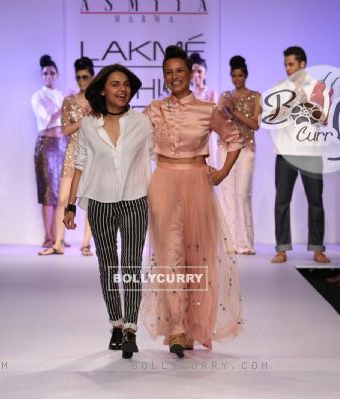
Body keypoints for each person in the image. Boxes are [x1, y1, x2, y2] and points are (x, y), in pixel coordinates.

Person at [140, 45, 244, 358]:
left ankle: (194, 328)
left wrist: (223, 172)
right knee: (170, 255)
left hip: (197, 182)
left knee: (196, 257)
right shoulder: (154, 109)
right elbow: (132, 139)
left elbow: (234, 139)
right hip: (164, 182)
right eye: (168, 73)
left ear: (190, 73)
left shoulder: (206, 109)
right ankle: (176, 328)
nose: (174, 77)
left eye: (179, 71)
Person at [63, 64, 152, 359]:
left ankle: (130, 329)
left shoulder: (142, 122)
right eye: (115, 84)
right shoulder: (89, 124)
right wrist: (71, 204)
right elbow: (80, 164)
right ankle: (115, 323)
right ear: (103, 89)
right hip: (99, 202)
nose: (122, 89)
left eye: (126, 84)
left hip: (135, 200)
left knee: (130, 265)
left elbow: (156, 159)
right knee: (108, 266)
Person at [270, 46, 330, 264]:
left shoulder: (317, 86)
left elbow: (324, 119)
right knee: (281, 202)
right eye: (285, 64)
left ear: (302, 64)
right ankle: (282, 249)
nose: (287, 68)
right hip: (285, 153)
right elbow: (273, 117)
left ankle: (317, 249)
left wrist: (305, 101)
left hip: (310, 152)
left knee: (315, 201)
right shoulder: (280, 86)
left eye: (291, 64)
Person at [39, 57, 94, 256]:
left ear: (92, 76)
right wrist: (83, 121)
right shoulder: (69, 101)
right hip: (72, 151)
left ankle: (86, 244)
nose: (81, 81)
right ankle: (57, 243)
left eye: (85, 77)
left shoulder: (99, 100)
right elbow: (64, 130)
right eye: (78, 77)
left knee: (90, 201)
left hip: (93, 153)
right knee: (63, 199)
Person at [216, 55, 261, 255]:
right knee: (227, 195)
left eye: (240, 75)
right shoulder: (225, 95)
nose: (237, 79)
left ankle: (245, 243)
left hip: (246, 148)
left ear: (246, 75)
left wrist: (235, 113)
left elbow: (255, 125)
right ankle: (229, 242)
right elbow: (217, 122)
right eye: (234, 75)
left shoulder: (255, 96)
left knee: (242, 194)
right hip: (226, 148)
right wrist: (225, 114)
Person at [31, 55, 66, 249]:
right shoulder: (38, 96)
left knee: (62, 193)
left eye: (52, 73)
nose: (49, 76)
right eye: (45, 73)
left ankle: (59, 237)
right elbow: (47, 119)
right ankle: (48, 236)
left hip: (62, 144)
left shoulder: (61, 95)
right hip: (46, 144)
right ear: (41, 75)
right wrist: (63, 108)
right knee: (47, 192)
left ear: (57, 75)